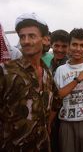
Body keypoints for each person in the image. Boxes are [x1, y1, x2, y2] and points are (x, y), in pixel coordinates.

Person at [0, 12, 61, 151]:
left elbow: (56, 102)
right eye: (22, 36)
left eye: (32, 36)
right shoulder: (5, 72)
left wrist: (46, 128)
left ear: (45, 40)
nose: (26, 41)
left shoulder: (47, 74)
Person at [48, 29, 69, 152]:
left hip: (64, 115)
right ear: (51, 44)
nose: (60, 49)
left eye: (64, 46)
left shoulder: (69, 65)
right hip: (52, 114)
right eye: (57, 45)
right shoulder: (51, 62)